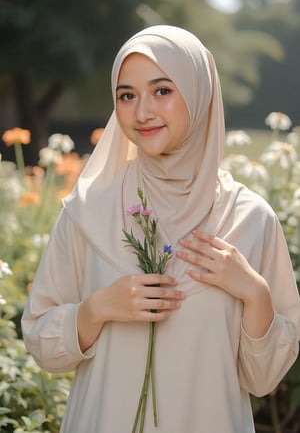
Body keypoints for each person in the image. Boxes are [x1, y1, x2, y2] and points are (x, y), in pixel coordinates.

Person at [22, 25, 300, 433]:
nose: (142, 112)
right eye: (127, 95)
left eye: (163, 91)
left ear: (199, 92)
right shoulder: (89, 210)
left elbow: (262, 379)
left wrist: (254, 293)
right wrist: (96, 310)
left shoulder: (250, 219)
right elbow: (42, 342)